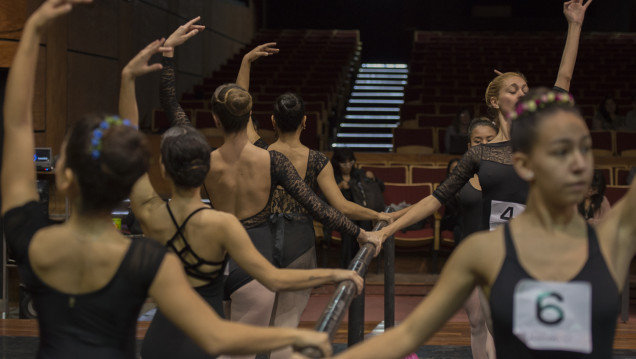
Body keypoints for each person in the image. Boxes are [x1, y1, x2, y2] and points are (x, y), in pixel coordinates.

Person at [1, 2, 331, 358]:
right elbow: (217, 336)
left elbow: (17, 126)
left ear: (64, 180)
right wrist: (298, 339)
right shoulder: (143, 257)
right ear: (128, 176)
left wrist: (32, 31)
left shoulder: (33, 242)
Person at [333, 87, 635, 359]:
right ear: (525, 165)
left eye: (584, 148)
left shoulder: (613, 238)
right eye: (560, 151)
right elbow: (408, 335)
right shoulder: (483, 252)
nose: (578, 163)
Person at [119, 38, 363, 359]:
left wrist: (157, 64)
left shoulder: (203, 162)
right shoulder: (269, 159)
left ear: (216, 120)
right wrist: (361, 234)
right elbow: (317, 206)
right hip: (253, 259)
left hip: (205, 266)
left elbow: (171, 106)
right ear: (251, 115)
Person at [376, 0, 591, 241]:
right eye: (513, 90)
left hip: (539, 246)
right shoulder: (480, 154)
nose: (522, 93)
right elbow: (435, 199)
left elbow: (564, 78)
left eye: (524, 89)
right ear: (495, 102)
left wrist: (575, 24)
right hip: (497, 250)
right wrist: (386, 232)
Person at [455, 118, 498, 359]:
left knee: (499, 326)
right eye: (477, 141)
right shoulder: (460, 175)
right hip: (470, 258)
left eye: (489, 140)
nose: (483, 145)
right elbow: (434, 200)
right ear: (469, 145)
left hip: (501, 256)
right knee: (476, 323)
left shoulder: (510, 172)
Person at [330, 147, 388, 268]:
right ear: (337, 163)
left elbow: (381, 187)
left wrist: (373, 178)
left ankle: (361, 265)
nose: (347, 166)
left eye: (350, 162)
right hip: (342, 214)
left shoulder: (358, 173)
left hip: (359, 212)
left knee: (365, 222)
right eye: (343, 163)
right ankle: (347, 267)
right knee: (348, 226)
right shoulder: (333, 177)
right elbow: (323, 199)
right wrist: (338, 187)